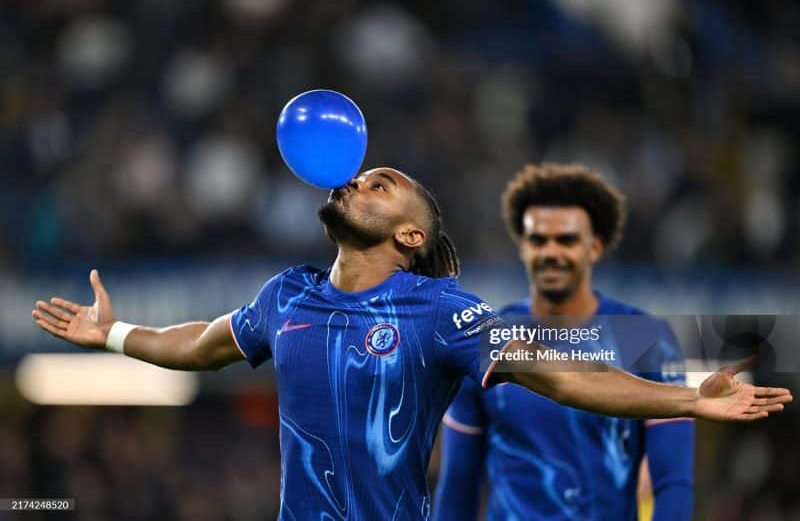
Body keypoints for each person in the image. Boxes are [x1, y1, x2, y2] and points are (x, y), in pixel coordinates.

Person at [32, 167, 790, 520]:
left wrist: (687, 397)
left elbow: (561, 372)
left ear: (410, 234)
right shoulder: (286, 294)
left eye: (381, 182)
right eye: (359, 178)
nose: (358, 179)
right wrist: (117, 333)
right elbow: (201, 344)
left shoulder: (441, 311)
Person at [433, 163, 694, 521]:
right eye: (538, 240)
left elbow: (674, 484)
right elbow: (459, 487)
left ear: (595, 247)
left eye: (567, 240)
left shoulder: (645, 339)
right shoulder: (488, 340)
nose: (551, 252)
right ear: (522, 247)